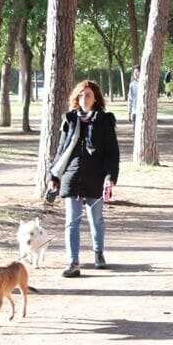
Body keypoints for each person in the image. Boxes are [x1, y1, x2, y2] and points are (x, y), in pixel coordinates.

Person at [48, 80, 120, 278]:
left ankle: (98, 253)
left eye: (88, 95)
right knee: (72, 221)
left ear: (96, 99)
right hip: (72, 177)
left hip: (96, 178)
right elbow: (61, 151)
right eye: (80, 95)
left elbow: (112, 153)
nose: (84, 98)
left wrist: (110, 177)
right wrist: (53, 175)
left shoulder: (105, 121)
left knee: (96, 219)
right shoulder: (70, 120)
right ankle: (73, 262)